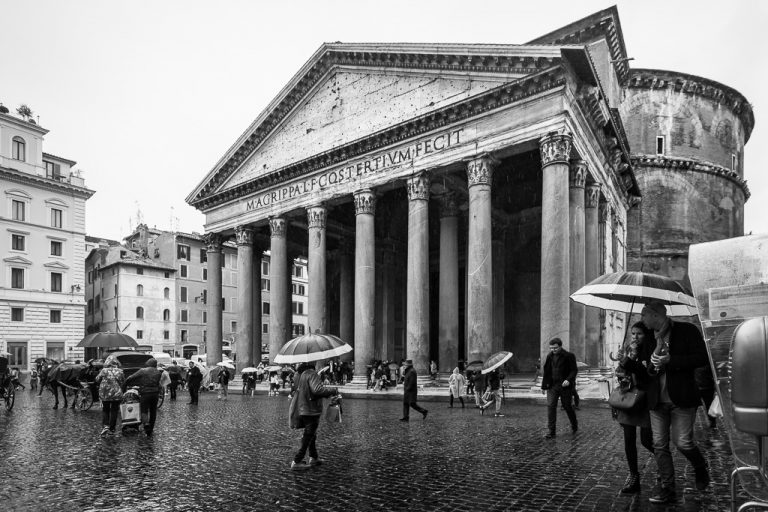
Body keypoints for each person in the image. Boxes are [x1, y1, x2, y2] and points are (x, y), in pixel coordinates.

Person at [641, 300, 710, 504]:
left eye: (644, 315)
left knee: (682, 442)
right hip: (657, 400)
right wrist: (651, 366)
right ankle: (667, 488)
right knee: (660, 445)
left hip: (682, 398)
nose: (641, 319)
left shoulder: (687, 330)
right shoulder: (648, 338)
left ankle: (699, 466)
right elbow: (648, 370)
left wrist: (672, 361)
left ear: (655, 315)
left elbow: (701, 358)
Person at [614, 321, 656, 494]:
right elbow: (620, 371)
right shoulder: (629, 351)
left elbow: (646, 374)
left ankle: (663, 462)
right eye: (632, 334)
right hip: (628, 397)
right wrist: (624, 360)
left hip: (644, 399)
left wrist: (631, 361)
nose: (635, 337)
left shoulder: (651, 351)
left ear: (646, 335)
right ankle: (633, 476)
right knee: (629, 439)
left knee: (647, 440)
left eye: (639, 333)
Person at [290, 362, 339, 471]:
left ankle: (314, 457)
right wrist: (333, 390)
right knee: (309, 435)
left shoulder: (302, 374)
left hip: (304, 407)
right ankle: (297, 461)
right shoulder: (312, 374)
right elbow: (317, 390)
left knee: (312, 434)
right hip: (311, 409)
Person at [541, 337, 578, 438]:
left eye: (555, 348)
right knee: (551, 406)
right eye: (551, 348)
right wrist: (544, 386)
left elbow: (574, 370)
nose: (553, 350)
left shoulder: (569, 356)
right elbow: (547, 372)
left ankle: (574, 424)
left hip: (565, 386)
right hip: (552, 386)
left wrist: (568, 380)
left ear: (560, 346)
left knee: (567, 406)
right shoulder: (549, 356)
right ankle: (551, 431)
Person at [124, 358, 164, 437]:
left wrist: (125, 383)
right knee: (153, 411)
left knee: (144, 410)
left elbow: (131, 378)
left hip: (145, 393)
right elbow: (158, 384)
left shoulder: (143, 370)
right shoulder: (158, 372)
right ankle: (151, 429)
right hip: (155, 394)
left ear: (148, 363)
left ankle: (146, 424)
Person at [95, 357, 125, 436]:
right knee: (114, 410)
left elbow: (97, 379)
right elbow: (123, 381)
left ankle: (105, 426)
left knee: (106, 409)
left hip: (105, 393)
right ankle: (112, 429)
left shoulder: (104, 370)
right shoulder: (120, 371)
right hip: (116, 393)